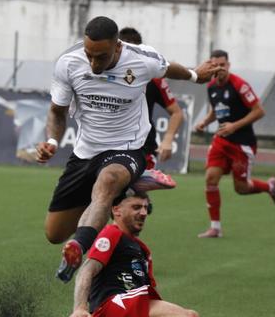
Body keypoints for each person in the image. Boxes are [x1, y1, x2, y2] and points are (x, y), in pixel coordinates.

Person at [37, 16, 216, 281]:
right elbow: (57, 112)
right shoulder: (69, 63)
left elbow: (168, 68)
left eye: (101, 56)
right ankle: (126, 188)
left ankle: (78, 247)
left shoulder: (142, 59)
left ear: (117, 46)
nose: (94, 64)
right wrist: (52, 142)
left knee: (108, 180)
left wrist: (194, 75)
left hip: (129, 148)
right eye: (90, 55)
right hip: (86, 152)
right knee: (54, 233)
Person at [62, 191, 266, 317]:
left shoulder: (143, 251)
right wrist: (80, 306)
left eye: (145, 208)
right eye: (136, 207)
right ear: (116, 210)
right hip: (111, 313)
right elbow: (86, 270)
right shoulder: (111, 233)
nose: (143, 212)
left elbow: (156, 310)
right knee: (188, 315)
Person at [191, 50, 275, 238]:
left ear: (228, 65)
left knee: (241, 188)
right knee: (210, 179)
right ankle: (215, 227)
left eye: (222, 65)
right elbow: (216, 110)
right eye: (215, 65)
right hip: (221, 141)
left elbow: (259, 111)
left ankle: (269, 187)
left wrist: (234, 126)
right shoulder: (211, 86)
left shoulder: (240, 85)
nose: (219, 69)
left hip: (242, 143)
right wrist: (205, 122)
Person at [117, 27, 185, 175]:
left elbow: (177, 113)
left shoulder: (153, 79)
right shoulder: (104, 75)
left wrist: (167, 140)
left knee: (133, 196)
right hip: (109, 146)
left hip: (143, 149)